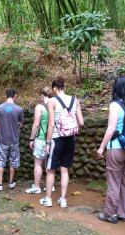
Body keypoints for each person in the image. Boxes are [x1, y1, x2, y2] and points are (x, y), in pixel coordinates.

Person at [96, 76, 125, 223]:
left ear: (116, 88)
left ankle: (110, 214)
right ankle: (124, 213)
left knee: (114, 182)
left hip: (117, 148)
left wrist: (101, 147)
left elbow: (111, 129)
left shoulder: (115, 105)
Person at [41, 77, 84, 208]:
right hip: (70, 138)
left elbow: (51, 124)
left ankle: (48, 199)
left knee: (51, 170)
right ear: (64, 87)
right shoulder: (74, 100)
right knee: (64, 169)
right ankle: (63, 200)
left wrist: (47, 143)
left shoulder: (52, 101)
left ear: (54, 88)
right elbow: (81, 122)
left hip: (56, 139)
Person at [0, 88, 24, 191]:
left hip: (2, 139)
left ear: (5, 96)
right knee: (13, 160)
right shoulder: (19, 109)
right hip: (14, 139)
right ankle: (11, 182)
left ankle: (0, 184)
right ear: (15, 95)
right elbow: (20, 123)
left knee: (1, 161)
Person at [26, 87, 52, 194]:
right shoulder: (55, 105)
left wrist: (32, 139)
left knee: (38, 163)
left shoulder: (40, 107)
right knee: (49, 164)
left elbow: (36, 124)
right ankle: (50, 186)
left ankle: (37, 186)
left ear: (42, 95)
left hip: (41, 138)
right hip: (51, 139)